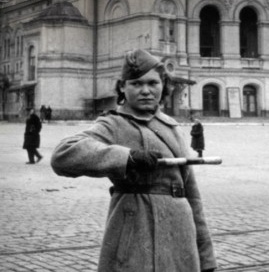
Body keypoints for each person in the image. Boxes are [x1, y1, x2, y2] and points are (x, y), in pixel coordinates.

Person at [51, 48, 216, 272]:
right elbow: (63, 155)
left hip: (180, 236)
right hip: (135, 232)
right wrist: (126, 158)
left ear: (163, 85)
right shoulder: (114, 124)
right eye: (136, 84)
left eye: (152, 83)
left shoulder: (170, 125)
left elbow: (192, 195)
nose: (146, 91)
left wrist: (206, 259)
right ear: (122, 87)